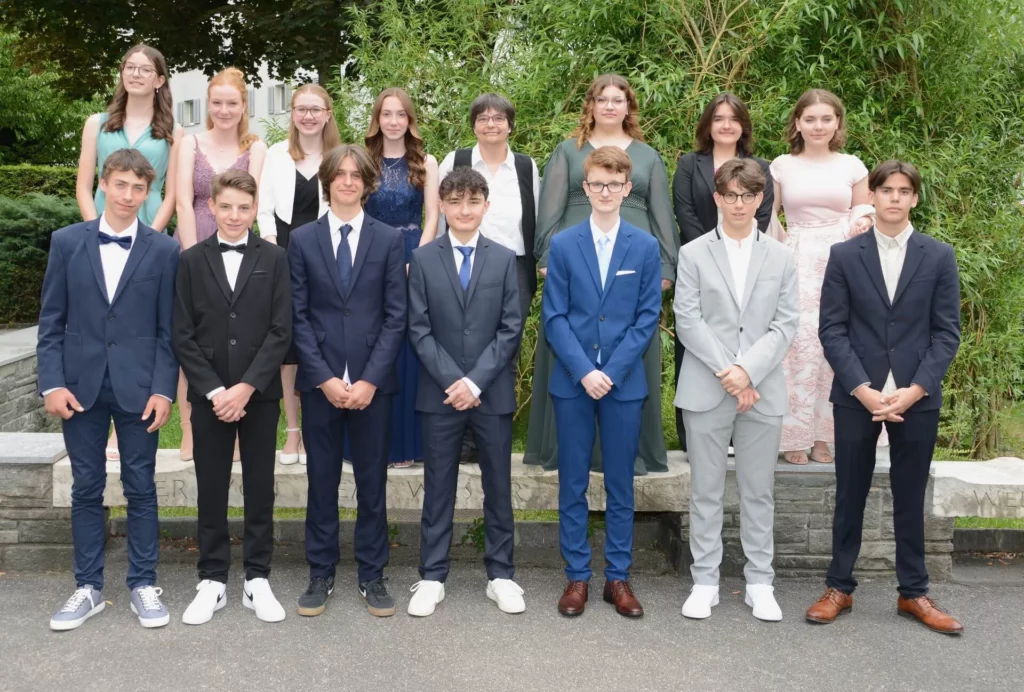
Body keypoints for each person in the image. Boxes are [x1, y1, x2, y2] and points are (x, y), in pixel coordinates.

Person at [806, 160, 963, 635]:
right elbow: (831, 329)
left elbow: (946, 333)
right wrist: (863, 389)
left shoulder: (938, 256)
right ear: (871, 196)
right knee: (849, 493)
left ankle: (913, 593)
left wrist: (915, 389)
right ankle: (839, 587)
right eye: (886, 189)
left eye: (903, 190)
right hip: (858, 393)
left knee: (909, 495)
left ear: (915, 198)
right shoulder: (845, 255)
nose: (894, 198)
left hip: (917, 395)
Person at [39, 149, 179, 631]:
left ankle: (142, 582)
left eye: (138, 188)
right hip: (79, 387)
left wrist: (164, 390)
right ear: (103, 183)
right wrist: (51, 383)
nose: (128, 195)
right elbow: (51, 321)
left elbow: (168, 331)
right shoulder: (66, 242)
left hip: (139, 387)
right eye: (120, 185)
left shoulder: (164, 250)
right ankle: (88, 587)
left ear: (149, 191)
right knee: (87, 487)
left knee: (141, 487)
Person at [526, 74, 678, 476]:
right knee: (571, 343)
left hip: (634, 266)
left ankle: (634, 452)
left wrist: (666, 265)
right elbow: (551, 210)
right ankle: (569, 453)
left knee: (631, 349)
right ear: (590, 105)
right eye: (602, 99)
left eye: (618, 99)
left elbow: (663, 214)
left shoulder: (647, 156)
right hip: (576, 263)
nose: (610, 106)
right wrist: (545, 253)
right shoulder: (567, 152)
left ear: (629, 107)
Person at [674, 159, 798, 622]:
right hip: (707, 386)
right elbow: (688, 319)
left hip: (762, 389)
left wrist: (747, 372)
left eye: (749, 195)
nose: (739, 203)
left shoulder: (782, 257)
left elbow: (786, 324)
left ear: (761, 200)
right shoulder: (694, 253)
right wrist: (731, 372)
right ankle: (704, 580)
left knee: (758, 491)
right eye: (731, 195)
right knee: (705, 490)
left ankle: (759, 583)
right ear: (718, 198)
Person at [288, 144, 407, 618]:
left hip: (372, 386)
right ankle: (320, 570)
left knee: (371, 482)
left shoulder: (388, 239)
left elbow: (396, 317)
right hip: (321, 385)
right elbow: (297, 316)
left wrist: (369, 380)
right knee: (321, 481)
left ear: (368, 183)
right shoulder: (301, 240)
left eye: (357, 175)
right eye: (340, 174)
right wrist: (322, 378)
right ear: (327, 180)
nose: (348, 182)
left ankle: (372, 573)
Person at [545, 146, 662, 618]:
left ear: (627, 189)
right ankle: (576, 576)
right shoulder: (563, 244)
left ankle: (618, 576)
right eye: (597, 184)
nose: (606, 191)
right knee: (572, 482)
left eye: (614, 184)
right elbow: (554, 318)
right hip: (574, 381)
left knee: (620, 482)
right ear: (586, 188)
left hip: (623, 382)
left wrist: (610, 373)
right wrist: (585, 371)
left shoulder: (645, 246)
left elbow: (647, 317)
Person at [173, 170, 292, 625]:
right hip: (209, 395)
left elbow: (282, 329)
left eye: (244, 208)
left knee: (260, 486)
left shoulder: (275, 258)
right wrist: (216, 389)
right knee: (212, 486)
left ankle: (257, 577)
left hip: (258, 395)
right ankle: (213, 579)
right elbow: (182, 334)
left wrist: (246, 387)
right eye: (226, 207)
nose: (235, 216)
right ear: (212, 207)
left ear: (253, 208)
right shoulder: (190, 260)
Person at [406, 168, 524, 617]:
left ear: (485, 206)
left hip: (490, 394)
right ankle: (432, 575)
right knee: (438, 487)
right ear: (442, 206)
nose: (464, 210)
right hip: (439, 395)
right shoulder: (422, 259)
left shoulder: (503, 257)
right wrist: (453, 381)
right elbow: (418, 329)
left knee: (499, 485)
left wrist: (475, 382)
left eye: (472, 202)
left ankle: (501, 575)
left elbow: (510, 327)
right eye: (454, 202)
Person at [75, 43, 183, 463]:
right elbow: (84, 185)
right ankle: (100, 416)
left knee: (143, 327)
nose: (135, 74)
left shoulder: (174, 132)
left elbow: (172, 193)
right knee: (101, 321)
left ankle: (129, 421)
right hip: (101, 234)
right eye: (129, 67)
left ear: (159, 80)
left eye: (145, 69)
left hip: (151, 234)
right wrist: (92, 230)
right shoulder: (96, 124)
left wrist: (149, 239)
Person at [771, 88, 874, 465]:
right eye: (810, 119)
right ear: (797, 123)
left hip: (843, 257)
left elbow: (864, 208)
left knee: (839, 343)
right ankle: (793, 434)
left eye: (826, 119)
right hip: (797, 257)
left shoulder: (852, 165)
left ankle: (825, 435)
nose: (818, 126)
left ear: (837, 123)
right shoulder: (781, 165)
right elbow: (769, 217)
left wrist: (862, 220)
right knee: (799, 345)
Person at [439, 93, 541, 464]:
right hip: (461, 260)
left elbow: (536, 220)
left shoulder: (527, 167)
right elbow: (440, 214)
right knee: (461, 344)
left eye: (499, 118)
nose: (491, 124)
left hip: (512, 267)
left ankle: (491, 435)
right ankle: (461, 437)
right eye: (483, 118)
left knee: (504, 349)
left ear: (510, 124)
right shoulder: (457, 160)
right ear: (473, 125)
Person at [175, 67, 268, 462]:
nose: (224, 110)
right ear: (208, 104)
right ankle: (191, 430)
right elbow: (182, 201)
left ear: (243, 105)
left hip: (239, 252)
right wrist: (195, 258)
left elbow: (254, 205)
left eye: (232, 103)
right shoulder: (190, 143)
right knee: (193, 337)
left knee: (233, 336)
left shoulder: (256, 148)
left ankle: (233, 430)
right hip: (195, 244)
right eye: (217, 102)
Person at [671, 92, 773, 451]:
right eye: (718, 118)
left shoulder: (761, 166)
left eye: (733, 118)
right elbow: (684, 213)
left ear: (743, 125)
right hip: (700, 265)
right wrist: (713, 257)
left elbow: (761, 215)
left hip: (749, 265)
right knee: (696, 341)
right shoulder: (689, 164)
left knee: (746, 337)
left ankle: (741, 429)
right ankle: (693, 432)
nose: (726, 125)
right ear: (708, 125)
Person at [258, 84, 341, 466]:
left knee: (319, 341)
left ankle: (316, 430)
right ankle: (293, 433)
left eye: (315, 109)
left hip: (327, 254)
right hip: (283, 250)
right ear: (292, 114)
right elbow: (263, 209)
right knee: (288, 347)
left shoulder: (339, 157)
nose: (308, 116)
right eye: (301, 109)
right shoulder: (276, 154)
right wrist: (275, 252)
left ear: (327, 114)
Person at [364, 87, 440, 469]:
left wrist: (418, 259)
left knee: (408, 348)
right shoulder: (363, 160)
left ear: (410, 120)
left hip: (413, 256)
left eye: (401, 115)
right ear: (377, 119)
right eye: (386, 114)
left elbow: (432, 218)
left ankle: (409, 446)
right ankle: (375, 442)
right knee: (374, 343)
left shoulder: (426, 161)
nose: (393, 121)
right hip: (370, 255)